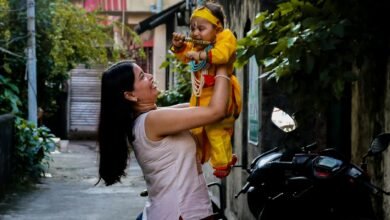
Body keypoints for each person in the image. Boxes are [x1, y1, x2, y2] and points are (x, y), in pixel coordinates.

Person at [97, 60, 231, 220]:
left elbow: (200, 106)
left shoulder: (152, 118)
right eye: (142, 77)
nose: (150, 77)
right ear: (131, 95)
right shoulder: (153, 121)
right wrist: (223, 63)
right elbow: (216, 111)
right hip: (180, 214)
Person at [170, 1, 241, 178]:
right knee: (197, 130)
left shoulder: (225, 37)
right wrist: (179, 46)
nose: (195, 33)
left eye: (201, 28)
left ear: (217, 28)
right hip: (200, 97)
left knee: (215, 129)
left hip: (220, 95)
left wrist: (201, 55)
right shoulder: (199, 44)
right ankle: (206, 158)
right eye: (192, 28)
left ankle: (223, 163)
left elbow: (222, 54)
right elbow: (187, 56)